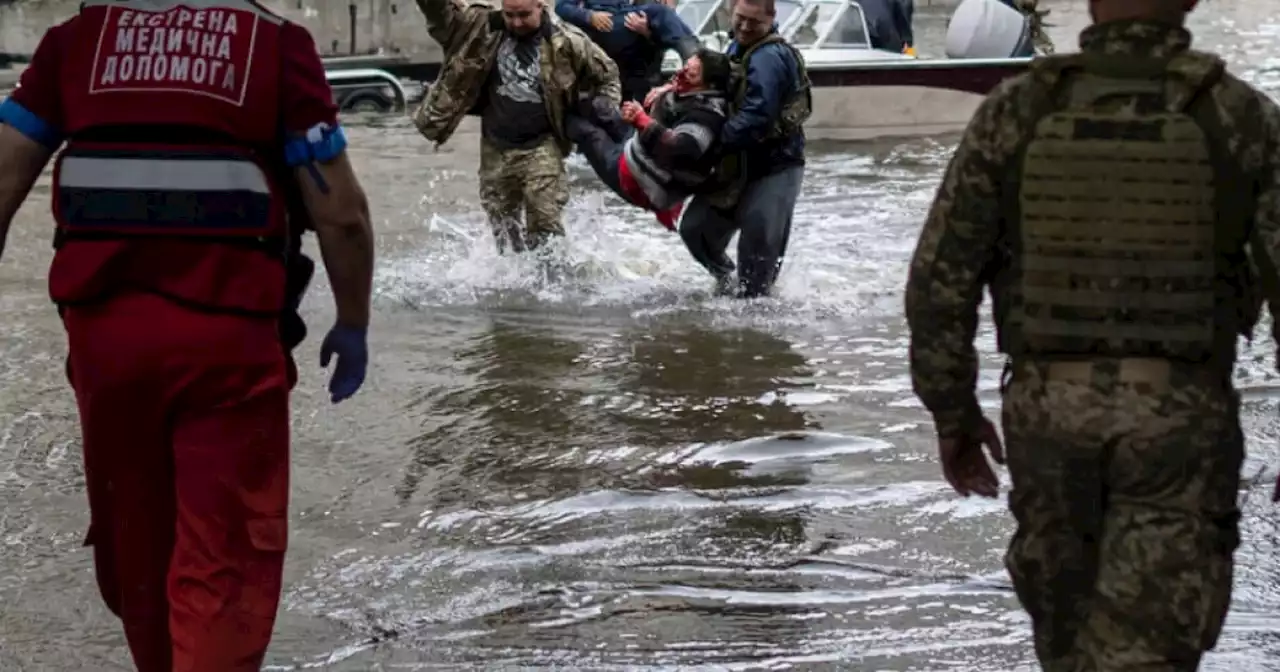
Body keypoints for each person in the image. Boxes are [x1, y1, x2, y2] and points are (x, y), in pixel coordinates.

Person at [904, 0, 1280, 669]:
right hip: (1179, 420)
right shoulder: (1237, 115)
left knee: (1067, 638)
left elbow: (940, 280)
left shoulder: (1019, 111)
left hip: (1049, 415)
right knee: (1151, 644)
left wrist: (953, 413)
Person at [0, 0, 374, 668]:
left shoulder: (74, 44)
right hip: (227, 347)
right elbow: (340, 214)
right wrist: (353, 322)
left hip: (104, 345)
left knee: (137, 546)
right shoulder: (274, 46)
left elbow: (1, 175)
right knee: (224, 558)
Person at [412, 0, 621, 254]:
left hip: (542, 144)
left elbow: (608, 74)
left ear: (541, 6)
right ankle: (515, 284)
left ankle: (554, 285)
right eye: (509, 15)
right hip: (495, 146)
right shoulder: (480, 27)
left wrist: (603, 110)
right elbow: (439, 14)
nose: (516, 22)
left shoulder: (567, 40)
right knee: (503, 231)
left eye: (524, 15)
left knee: (545, 226)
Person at [678, 0, 810, 299]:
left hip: (776, 166)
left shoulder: (770, 57)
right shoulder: (736, 48)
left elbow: (757, 115)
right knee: (695, 229)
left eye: (755, 22)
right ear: (731, 12)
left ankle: (755, 318)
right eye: (741, 18)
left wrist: (712, 144)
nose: (746, 27)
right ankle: (726, 281)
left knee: (758, 246)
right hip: (738, 163)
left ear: (772, 18)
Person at [568, 49, 732, 231]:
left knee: (586, 132)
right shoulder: (690, 91)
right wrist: (666, 88)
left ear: (709, 85)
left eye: (690, 74)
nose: (680, 74)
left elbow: (681, 148)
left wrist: (643, 121)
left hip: (640, 180)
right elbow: (679, 85)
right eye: (684, 67)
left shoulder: (707, 117)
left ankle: (549, 120)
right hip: (637, 147)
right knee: (599, 107)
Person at [555, 0, 699, 102]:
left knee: (667, 15)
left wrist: (648, 32)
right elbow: (561, 7)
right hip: (607, 25)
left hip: (635, 61)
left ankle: (699, 57)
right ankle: (697, 59)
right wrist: (589, 16)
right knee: (662, 13)